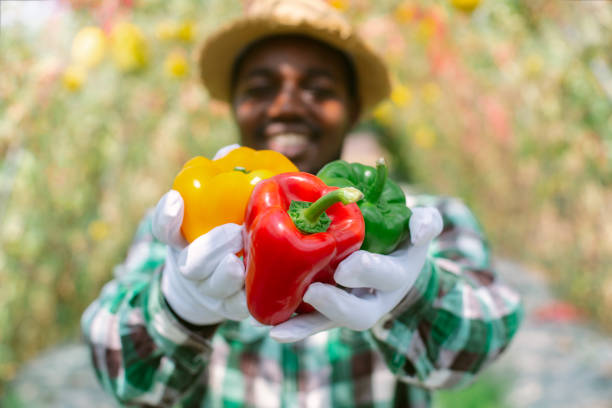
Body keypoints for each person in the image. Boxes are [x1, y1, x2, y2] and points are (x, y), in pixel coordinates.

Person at [81, 1, 523, 407]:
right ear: (236, 107)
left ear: (352, 109)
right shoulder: (185, 226)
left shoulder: (420, 222)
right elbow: (118, 371)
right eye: (260, 88)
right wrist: (176, 305)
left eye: (318, 88)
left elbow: (488, 330)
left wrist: (414, 294)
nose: (287, 106)